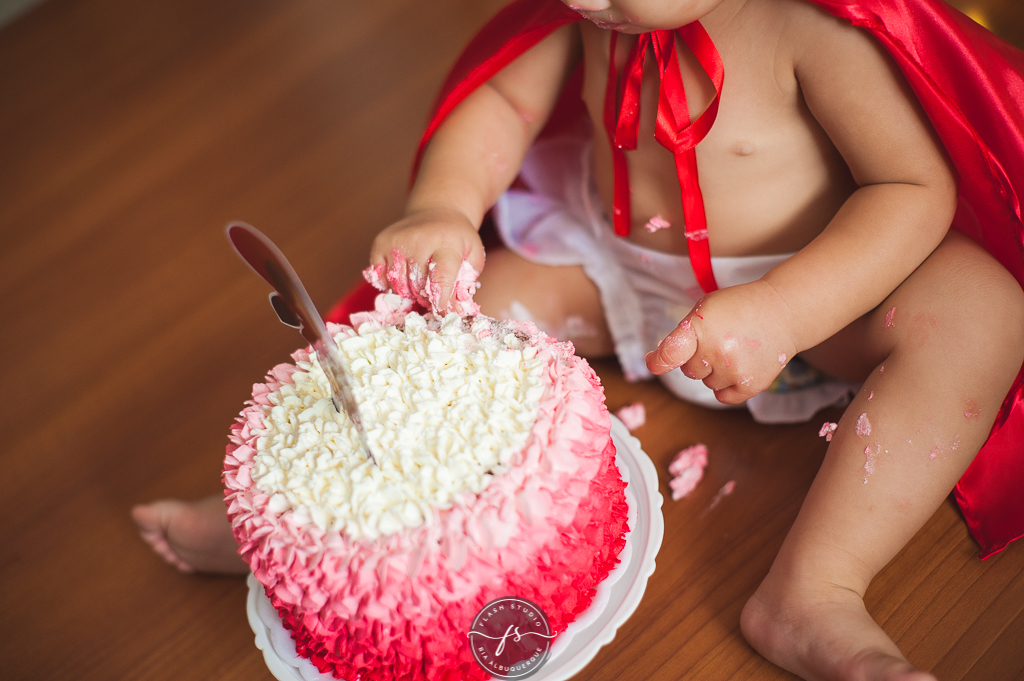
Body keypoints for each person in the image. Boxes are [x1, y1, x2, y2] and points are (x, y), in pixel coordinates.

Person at [135, 1, 1024, 679]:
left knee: (981, 311)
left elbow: (912, 188)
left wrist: (786, 310)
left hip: (809, 295)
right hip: (612, 272)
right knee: (446, 311)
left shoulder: (815, 31)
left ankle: (815, 589)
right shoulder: (596, 16)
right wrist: (444, 206)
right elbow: (502, 99)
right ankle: (294, 532)